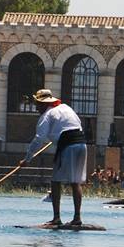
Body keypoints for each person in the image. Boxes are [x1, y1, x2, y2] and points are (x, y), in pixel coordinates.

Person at [21, 89, 87, 227]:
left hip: (68, 146)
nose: (37, 107)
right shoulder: (66, 108)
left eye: (38, 104)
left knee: (55, 181)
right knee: (76, 182)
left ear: (43, 104)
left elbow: (39, 139)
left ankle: (56, 218)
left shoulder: (47, 115)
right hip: (81, 145)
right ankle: (77, 218)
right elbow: (75, 125)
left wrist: (27, 159)